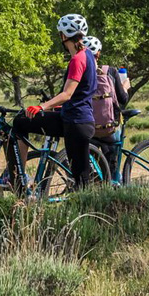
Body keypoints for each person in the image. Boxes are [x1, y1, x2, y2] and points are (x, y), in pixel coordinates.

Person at [14, 14, 98, 190]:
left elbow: (67, 94)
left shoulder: (78, 59)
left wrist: (41, 106)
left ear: (64, 36)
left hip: (77, 123)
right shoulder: (88, 54)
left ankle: (92, 213)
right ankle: (18, 178)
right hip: (71, 118)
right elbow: (82, 91)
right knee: (20, 122)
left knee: (82, 182)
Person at [84, 35, 129, 166]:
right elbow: (123, 99)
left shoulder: (79, 72)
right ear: (98, 53)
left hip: (88, 128)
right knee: (112, 161)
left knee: (90, 162)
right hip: (110, 128)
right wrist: (125, 86)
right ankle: (114, 179)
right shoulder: (110, 71)